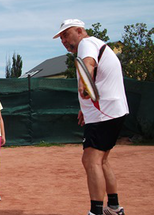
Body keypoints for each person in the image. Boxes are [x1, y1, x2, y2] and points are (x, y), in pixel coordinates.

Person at [53, 19, 129, 215]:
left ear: (79, 31)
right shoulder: (96, 43)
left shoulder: (86, 44)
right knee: (101, 160)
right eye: (61, 37)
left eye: (66, 35)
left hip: (104, 113)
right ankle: (114, 207)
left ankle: (95, 211)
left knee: (90, 160)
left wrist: (84, 86)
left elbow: (89, 65)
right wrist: (84, 108)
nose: (63, 40)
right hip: (109, 111)